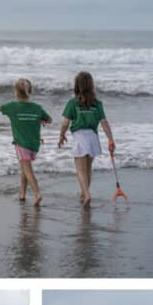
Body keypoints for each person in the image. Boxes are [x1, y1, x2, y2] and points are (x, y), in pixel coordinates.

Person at [0, 78, 52, 208]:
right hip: (34, 144)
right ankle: (22, 193)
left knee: (27, 169)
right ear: (30, 92)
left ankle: (37, 193)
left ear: (16, 92)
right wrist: (41, 121)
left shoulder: (12, 107)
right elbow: (49, 120)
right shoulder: (37, 108)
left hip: (22, 144)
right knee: (24, 168)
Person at [58, 71, 116, 208]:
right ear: (91, 85)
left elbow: (65, 123)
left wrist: (62, 135)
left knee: (80, 170)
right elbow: (104, 122)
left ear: (77, 86)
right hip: (93, 137)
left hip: (80, 136)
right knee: (88, 169)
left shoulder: (72, 103)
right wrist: (110, 139)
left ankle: (86, 194)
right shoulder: (97, 103)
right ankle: (84, 194)